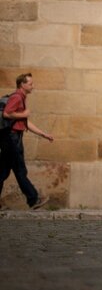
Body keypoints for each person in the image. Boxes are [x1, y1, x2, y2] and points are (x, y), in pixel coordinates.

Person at [1, 73, 53, 209]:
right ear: (22, 85)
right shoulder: (17, 97)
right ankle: (33, 199)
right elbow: (7, 113)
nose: (33, 86)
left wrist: (43, 134)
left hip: (11, 138)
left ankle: (33, 199)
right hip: (12, 138)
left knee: (3, 171)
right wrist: (23, 114)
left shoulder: (21, 97)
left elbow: (24, 122)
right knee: (20, 170)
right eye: (30, 84)